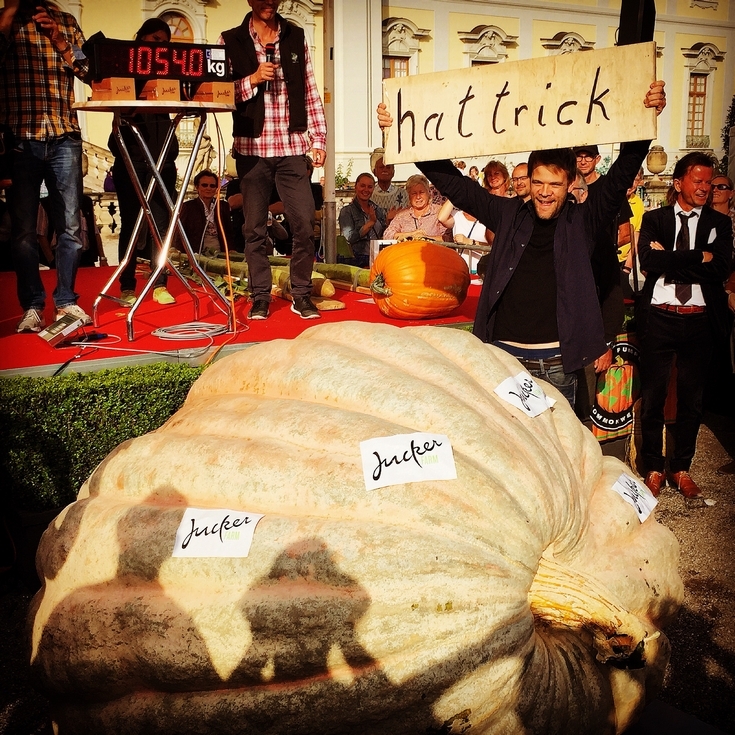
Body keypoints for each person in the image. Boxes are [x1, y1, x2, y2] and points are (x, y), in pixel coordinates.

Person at [376, 79, 666, 409]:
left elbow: (619, 176)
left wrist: (644, 122)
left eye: (554, 184)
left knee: (558, 442)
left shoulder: (584, 220)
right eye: (538, 182)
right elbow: (455, 185)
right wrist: (404, 135)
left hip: (557, 363)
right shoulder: (507, 213)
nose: (545, 192)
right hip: (505, 361)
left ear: (570, 183)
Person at [221, 0, 327, 321]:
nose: (269, 2)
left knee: (305, 223)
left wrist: (319, 139)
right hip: (252, 148)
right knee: (254, 229)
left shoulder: (295, 35)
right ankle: (261, 297)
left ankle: (301, 293)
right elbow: (219, 92)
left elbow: (310, 90)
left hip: (291, 147)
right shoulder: (231, 39)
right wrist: (252, 79)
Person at [636, 152, 732, 498]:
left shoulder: (719, 224)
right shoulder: (655, 219)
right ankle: (652, 466)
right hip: (660, 317)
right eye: (698, 181)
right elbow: (648, 259)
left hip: (699, 321)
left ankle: (680, 468)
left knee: (692, 399)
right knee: (653, 397)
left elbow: (719, 268)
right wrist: (697, 256)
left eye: (709, 182)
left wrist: (670, 261)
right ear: (678, 183)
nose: (705, 188)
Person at [1, 0, 92, 332]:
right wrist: (8, 17)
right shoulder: (6, 21)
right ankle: (32, 306)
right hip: (19, 138)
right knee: (24, 230)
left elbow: (90, 71)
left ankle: (66, 300)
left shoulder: (65, 20)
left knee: (71, 226)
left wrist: (59, 40)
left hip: (64, 135)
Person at [108, 17, 179, 306]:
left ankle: (159, 282)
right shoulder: (124, 66)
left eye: (165, 43)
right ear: (141, 38)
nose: (160, 47)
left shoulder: (171, 69)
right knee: (131, 223)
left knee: (160, 225)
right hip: (131, 157)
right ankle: (127, 285)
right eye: (155, 40)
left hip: (163, 158)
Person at [176, 170, 235, 256]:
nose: (208, 188)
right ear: (197, 187)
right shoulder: (188, 207)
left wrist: (231, 249)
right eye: (204, 185)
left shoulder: (223, 206)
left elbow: (229, 233)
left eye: (212, 186)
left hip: (220, 254)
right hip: (196, 254)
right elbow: (179, 234)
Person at [338, 172, 385, 269]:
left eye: (370, 187)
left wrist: (389, 221)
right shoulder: (347, 211)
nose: (366, 190)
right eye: (362, 186)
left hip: (378, 259)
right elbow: (349, 237)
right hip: (357, 261)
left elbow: (384, 234)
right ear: (356, 187)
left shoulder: (378, 210)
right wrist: (370, 223)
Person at [383, 173, 447, 241]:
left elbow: (448, 238)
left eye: (421, 192)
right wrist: (411, 234)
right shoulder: (402, 215)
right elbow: (387, 235)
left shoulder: (439, 212)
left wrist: (425, 238)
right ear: (409, 196)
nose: (418, 197)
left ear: (428, 192)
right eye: (414, 193)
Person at [437, 199, 487, 274]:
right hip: (462, 271)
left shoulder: (488, 218)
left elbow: (493, 247)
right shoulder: (457, 215)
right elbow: (441, 218)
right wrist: (454, 195)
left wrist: (469, 242)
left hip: (481, 273)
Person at [370, 148, 408, 227]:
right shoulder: (368, 194)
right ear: (374, 172)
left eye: (388, 167)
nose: (385, 170)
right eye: (381, 167)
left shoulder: (403, 194)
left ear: (393, 172)